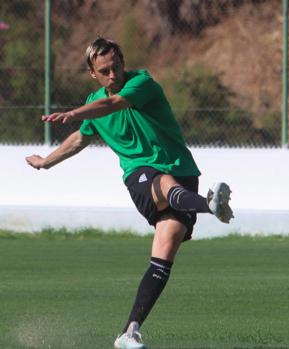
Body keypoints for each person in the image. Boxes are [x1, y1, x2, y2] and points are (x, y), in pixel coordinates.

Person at [25, 37, 234, 349]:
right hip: (141, 176)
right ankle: (210, 205)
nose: (113, 75)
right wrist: (46, 162)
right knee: (163, 183)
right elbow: (80, 140)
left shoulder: (141, 83)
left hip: (184, 171)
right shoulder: (95, 103)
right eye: (105, 71)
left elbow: (114, 103)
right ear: (93, 74)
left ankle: (129, 332)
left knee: (164, 254)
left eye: (116, 67)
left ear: (123, 63)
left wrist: (77, 112)